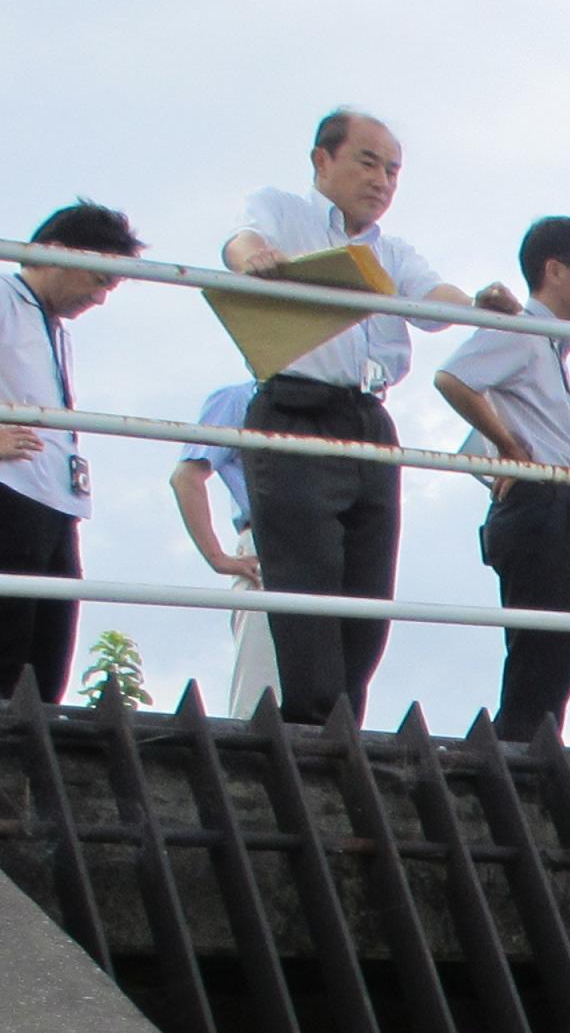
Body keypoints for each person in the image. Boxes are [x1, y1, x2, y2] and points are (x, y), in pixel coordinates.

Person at [226, 111, 521, 728]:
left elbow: (432, 300)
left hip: (368, 417)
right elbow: (241, 243)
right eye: (368, 161)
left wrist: (475, 304)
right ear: (322, 161)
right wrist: (254, 258)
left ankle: (342, 722)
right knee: (305, 576)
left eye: (393, 169)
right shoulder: (281, 208)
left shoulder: (391, 250)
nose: (383, 180)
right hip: (294, 406)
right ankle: (310, 726)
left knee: (368, 590)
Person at [437, 217, 570, 742]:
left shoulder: (550, 346)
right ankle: (519, 758)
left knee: (557, 652)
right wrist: (509, 446)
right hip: (537, 503)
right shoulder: (525, 332)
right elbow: (453, 377)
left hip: (558, 504)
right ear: (554, 270)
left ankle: (529, 751)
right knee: (543, 651)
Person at [0, 203, 142, 707]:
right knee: (8, 652)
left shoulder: (55, 328)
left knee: (47, 662)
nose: (100, 298)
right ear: (55, 253)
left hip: (54, 501)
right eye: (99, 280)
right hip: (10, 493)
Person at [168, 384, 283, 720]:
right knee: (260, 690)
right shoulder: (239, 398)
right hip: (266, 543)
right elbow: (186, 476)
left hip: (327, 546)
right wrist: (217, 557)